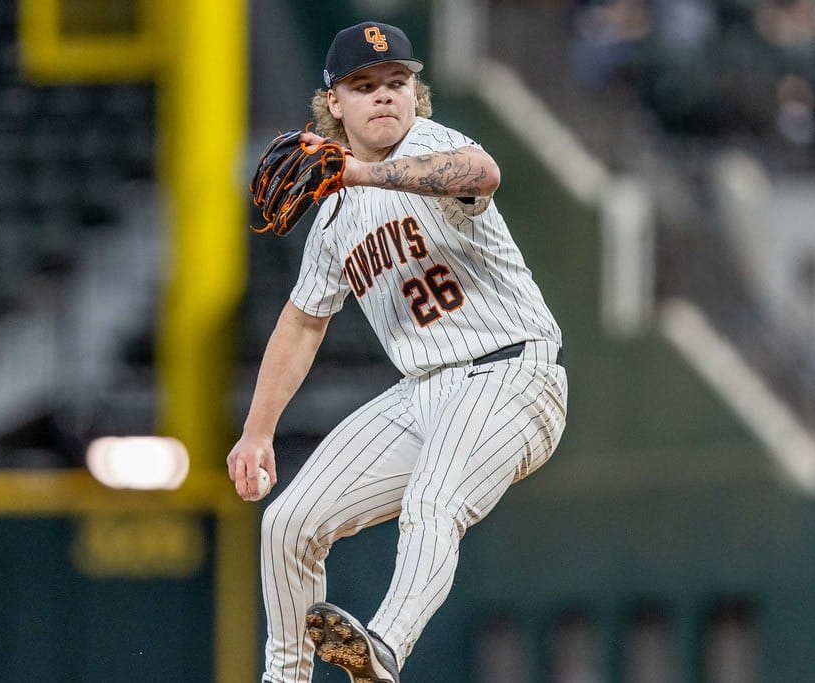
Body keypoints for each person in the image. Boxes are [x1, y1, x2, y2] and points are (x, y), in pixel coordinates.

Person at [226, 20, 568, 683]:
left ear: (416, 94)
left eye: (396, 82)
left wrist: (361, 170)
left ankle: (383, 647)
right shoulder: (331, 215)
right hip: (425, 391)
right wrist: (258, 431)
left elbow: (482, 170)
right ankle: (285, 677)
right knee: (289, 523)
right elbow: (301, 324)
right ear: (333, 104)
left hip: (512, 375)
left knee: (433, 502)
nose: (384, 96)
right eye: (364, 86)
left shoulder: (431, 147)